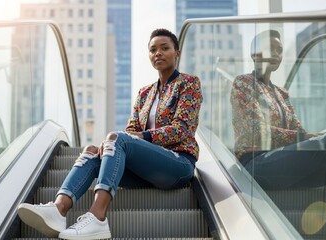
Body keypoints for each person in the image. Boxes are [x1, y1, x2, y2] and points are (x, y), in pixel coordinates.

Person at [17, 28, 202, 240]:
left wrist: (137, 137)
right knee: (93, 152)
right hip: (146, 171)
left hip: (177, 165)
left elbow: (182, 129)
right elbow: (132, 129)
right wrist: (113, 143)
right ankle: (59, 209)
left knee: (117, 138)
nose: (157, 53)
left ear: (177, 53)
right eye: (152, 50)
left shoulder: (188, 84)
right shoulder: (145, 93)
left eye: (164, 48)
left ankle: (97, 217)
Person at [230, 29, 326, 190]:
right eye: (271, 49)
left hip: (281, 158)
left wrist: (312, 136)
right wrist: (308, 137)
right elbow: (256, 131)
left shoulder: (281, 92)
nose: (277, 54)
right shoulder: (243, 83)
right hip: (254, 164)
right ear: (254, 54)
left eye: (279, 50)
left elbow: (298, 130)